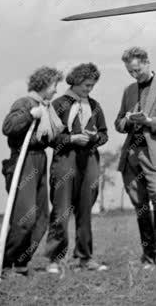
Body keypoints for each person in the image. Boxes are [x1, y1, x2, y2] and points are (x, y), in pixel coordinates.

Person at [114, 46, 156, 265]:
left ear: (147, 62)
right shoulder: (128, 91)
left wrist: (150, 122)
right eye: (130, 72)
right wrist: (127, 120)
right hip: (132, 155)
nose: (134, 75)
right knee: (140, 203)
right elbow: (118, 123)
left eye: (137, 70)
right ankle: (148, 253)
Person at [44, 62, 109, 273]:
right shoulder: (57, 105)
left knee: (85, 211)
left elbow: (104, 134)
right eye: (86, 85)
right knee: (61, 210)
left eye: (92, 85)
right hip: (65, 159)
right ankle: (55, 259)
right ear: (75, 81)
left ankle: (85, 257)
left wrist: (95, 138)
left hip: (89, 159)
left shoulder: (95, 106)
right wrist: (71, 139)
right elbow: (48, 137)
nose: (89, 89)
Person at [1, 66, 64, 276]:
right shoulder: (25, 103)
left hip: (39, 159)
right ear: (44, 84)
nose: (56, 90)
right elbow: (8, 127)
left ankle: (21, 263)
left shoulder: (46, 107)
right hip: (23, 159)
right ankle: (6, 263)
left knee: (40, 219)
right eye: (54, 85)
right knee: (25, 218)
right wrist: (30, 115)